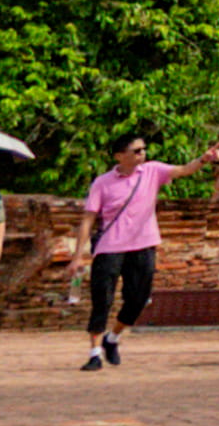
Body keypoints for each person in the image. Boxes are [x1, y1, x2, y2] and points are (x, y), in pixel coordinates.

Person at [74, 134, 176, 371]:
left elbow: (182, 170)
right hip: (110, 246)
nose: (142, 154)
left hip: (143, 244)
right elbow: (88, 218)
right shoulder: (103, 182)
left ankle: (113, 338)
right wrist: (78, 255)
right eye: (136, 150)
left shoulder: (153, 171)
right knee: (103, 299)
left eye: (143, 149)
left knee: (138, 298)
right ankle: (94, 352)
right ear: (120, 155)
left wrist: (204, 159)